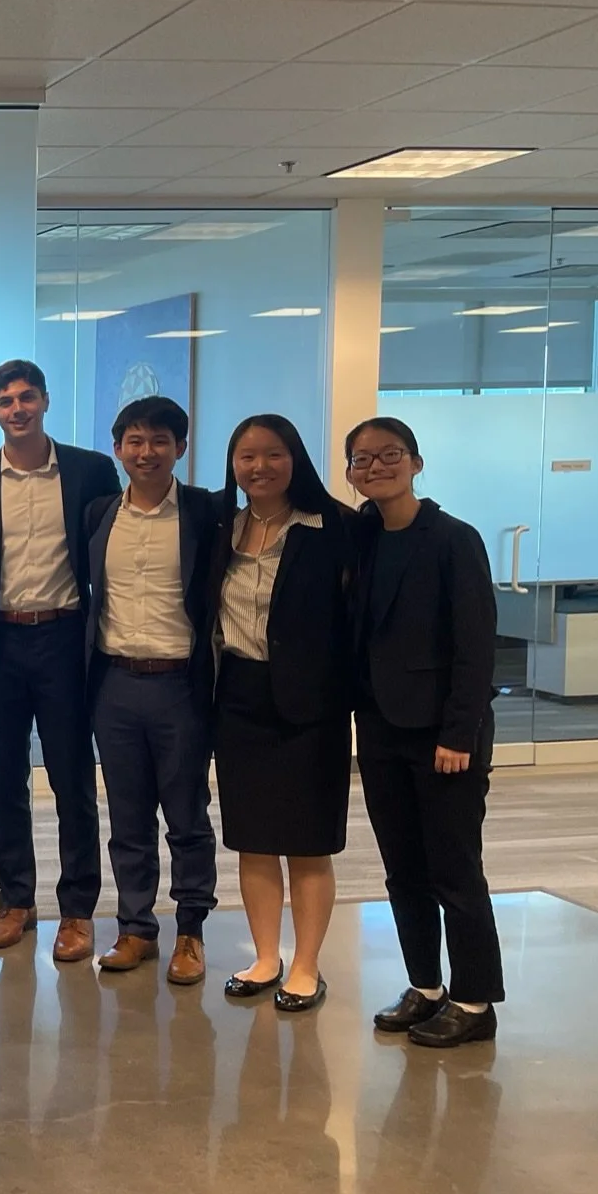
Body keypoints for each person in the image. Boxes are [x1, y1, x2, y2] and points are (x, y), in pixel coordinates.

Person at [345, 417, 504, 1048]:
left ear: (416, 463)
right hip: (380, 729)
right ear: (351, 472)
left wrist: (459, 733)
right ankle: (426, 987)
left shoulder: (453, 540)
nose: (376, 467)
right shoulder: (361, 537)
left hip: (443, 736)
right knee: (402, 870)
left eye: (390, 455)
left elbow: (476, 645)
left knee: (455, 871)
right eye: (363, 459)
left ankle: (474, 1000)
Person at [0, 359, 121, 963]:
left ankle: (77, 909)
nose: (17, 409)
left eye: (27, 397)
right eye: (5, 401)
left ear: (46, 401)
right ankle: (16, 901)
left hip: (64, 640)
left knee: (71, 778)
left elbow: (112, 553)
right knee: (5, 779)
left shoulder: (90, 470)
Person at [211, 413, 353, 1012]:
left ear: (295, 458)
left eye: (273, 454)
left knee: (308, 840)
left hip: (311, 703)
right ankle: (266, 958)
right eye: (247, 456)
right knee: (254, 838)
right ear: (233, 465)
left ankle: (307, 965)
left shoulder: (334, 527)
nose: (260, 467)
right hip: (239, 696)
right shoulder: (223, 526)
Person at [80, 396, 223, 986]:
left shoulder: (206, 512)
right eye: (135, 441)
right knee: (128, 818)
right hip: (113, 684)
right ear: (118, 449)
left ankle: (191, 931)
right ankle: (136, 928)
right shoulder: (98, 514)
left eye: (160, 441)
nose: (146, 452)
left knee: (187, 816)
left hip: (180, 686)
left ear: (180, 448)